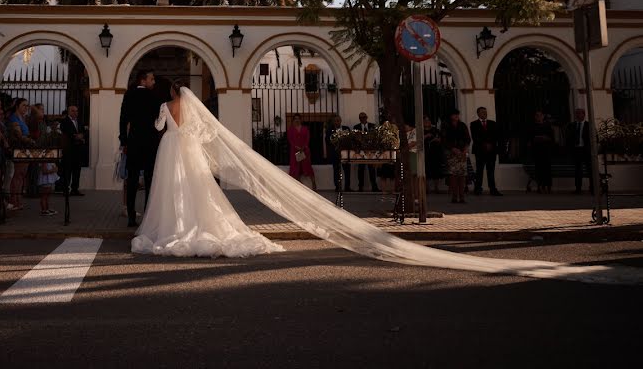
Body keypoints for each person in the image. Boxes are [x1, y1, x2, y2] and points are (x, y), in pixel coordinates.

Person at [129, 85, 637, 285]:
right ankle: (195, 229)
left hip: (175, 155)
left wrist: (166, 127)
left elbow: (157, 133)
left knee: (173, 201)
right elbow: (205, 136)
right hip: (190, 155)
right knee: (200, 198)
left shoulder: (161, 112)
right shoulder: (192, 112)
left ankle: (175, 230)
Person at [132, 80, 284, 257]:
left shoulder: (165, 105)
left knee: (169, 183)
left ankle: (173, 223)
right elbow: (199, 128)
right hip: (187, 146)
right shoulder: (190, 108)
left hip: (170, 145)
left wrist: (158, 120)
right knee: (195, 182)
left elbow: (158, 126)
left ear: (173, 91)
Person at [119, 69, 162, 228]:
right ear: (143, 80)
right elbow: (159, 123)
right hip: (150, 143)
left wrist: (124, 141)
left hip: (134, 143)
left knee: (132, 180)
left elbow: (123, 119)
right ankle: (147, 216)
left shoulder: (129, 95)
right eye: (151, 79)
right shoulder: (155, 97)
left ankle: (131, 217)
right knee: (149, 180)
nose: (154, 82)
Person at [6, 98, 35, 209]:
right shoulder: (14, 118)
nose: (26, 108)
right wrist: (30, 141)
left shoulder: (22, 118)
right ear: (17, 106)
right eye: (24, 105)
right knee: (18, 175)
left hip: (25, 148)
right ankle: (14, 200)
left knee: (22, 175)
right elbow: (18, 134)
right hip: (19, 148)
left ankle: (18, 200)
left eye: (27, 106)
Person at [470, 107, 502, 196]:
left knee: (491, 171)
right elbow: (475, 137)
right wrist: (484, 144)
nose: (484, 113)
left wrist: (491, 144)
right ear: (478, 114)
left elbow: (496, 136)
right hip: (480, 150)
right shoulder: (474, 124)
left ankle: (493, 189)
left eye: (485, 112)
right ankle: (478, 189)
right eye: (482, 112)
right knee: (479, 170)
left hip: (491, 151)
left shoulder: (493, 123)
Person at [442, 110, 471, 203]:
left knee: (462, 175)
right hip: (451, 153)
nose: (457, 116)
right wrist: (453, 148)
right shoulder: (446, 126)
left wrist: (465, 148)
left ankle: (462, 196)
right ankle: (454, 196)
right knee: (453, 175)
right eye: (454, 114)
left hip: (462, 152)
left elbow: (467, 138)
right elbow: (444, 139)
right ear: (451, 116)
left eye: (457, 114)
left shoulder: (462, 125)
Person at [60, 105, 86, 196]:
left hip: (78, 150)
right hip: (69, 150)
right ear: (69, 112)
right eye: (73, 111)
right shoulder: (64, 121)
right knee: (67, 170)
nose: (75, 113)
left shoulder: (79, 121)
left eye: (77, 111)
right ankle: (65, 189)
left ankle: (75, 189)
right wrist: (76, 136)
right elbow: (66, 132)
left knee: (77, 170)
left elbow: (83, 131)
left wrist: (82, 136)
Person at [287, 114, 317, 191]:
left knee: (307, 167)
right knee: (295, 168)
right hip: (295, 151)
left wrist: (303, 147)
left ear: (301, 120)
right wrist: (296, 147)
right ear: (293, 120)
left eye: (298, 119)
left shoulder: (305, 129)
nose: (297, 120)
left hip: (304, 151)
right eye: (295, 119)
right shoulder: (291, 129)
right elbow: (290, 140)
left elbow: (307, 139)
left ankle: (314, 184)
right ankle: (301, 187)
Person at [528, 110, 555, 194]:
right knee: (539, 169)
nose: (538, 117)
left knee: (547, 169)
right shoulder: (533, 126)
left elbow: (552, 138)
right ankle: (540, 186)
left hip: (546, 151)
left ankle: (548, 186)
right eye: (537, 115)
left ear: (543, 116)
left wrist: (545, 138)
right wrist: (536, 139)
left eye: (540, 115)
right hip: (537, 151)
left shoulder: (547, 126)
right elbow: (530, 139)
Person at [353, 112, 380, 192]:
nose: (363, 119)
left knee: (372, 170)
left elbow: (376, 137)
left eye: (364, 117)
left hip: (370, 151)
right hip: (361, 151)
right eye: (361, 118)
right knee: (360, 169)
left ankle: (374, 187)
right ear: (359, 119)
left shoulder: (372, 126)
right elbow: (354, 139)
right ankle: (360, 187)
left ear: (366, 117)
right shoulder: (356, 127)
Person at [567, 108, 592, 194]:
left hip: (586, 150)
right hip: (576, 150)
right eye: (576, 113)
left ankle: (592, 187)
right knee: (578, 170)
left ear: (583, 114)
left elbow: (593, 137)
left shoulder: (589, 125)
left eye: (579, 113)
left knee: (590, 169)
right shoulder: (572, 125)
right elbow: (569, 138)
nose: (577, 115)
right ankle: (578, 188)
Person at [325, 115, 348, 192]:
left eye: (338, 120)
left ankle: (347, 187)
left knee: (347, 170)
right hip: (335, 153)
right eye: (335, 121)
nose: (337, 122)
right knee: (336, 171)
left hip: (345, 153)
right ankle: (337, 187)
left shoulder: (346, 129)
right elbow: (327, 141)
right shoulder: (329, 130)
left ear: (341, 121)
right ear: (333, 122)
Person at [423, 116, 445, 193]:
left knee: (436, 170)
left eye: (428, 120)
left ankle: (436, 187)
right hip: (425, 153)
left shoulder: (436, 130)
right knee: (425, 170)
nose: (426, 122)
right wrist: (425, 136)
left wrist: (438, 140)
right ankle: (426, 187)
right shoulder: (420, 130)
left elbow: (442, 139)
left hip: (435, 153)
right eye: (425, 120)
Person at [37, 149, 59, 216]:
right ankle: (44, 209)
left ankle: (47, 208)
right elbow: (44, 171)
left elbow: (55, 168)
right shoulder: (44, 161)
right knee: (44, 195)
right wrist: (53, 170)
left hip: (50, 180)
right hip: (45, 180)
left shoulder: (51, 160)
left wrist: (55, 169)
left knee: (48, 195)